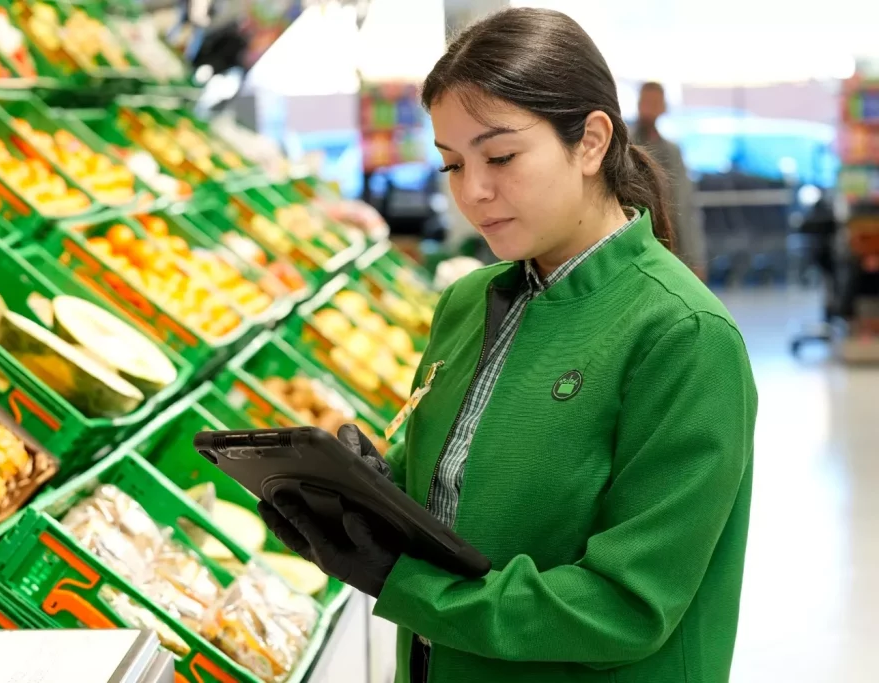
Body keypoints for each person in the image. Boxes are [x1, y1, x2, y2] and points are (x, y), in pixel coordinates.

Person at [258, 8, 757, 683]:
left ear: (590, 142)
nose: (474, 191)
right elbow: (454, 494)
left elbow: (627, 605)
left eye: (500, 156)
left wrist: (406, 585)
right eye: (452, 164)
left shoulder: (683, 336)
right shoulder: (468, 303)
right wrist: (367, 495)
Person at [632, 81, 709, 280]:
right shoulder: (624, 145)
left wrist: (696, 259)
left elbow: (686, 206)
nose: (649, 108)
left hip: (670, 247)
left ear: (663, 108)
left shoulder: (672, 152)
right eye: (646, 102)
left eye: (655, 103)